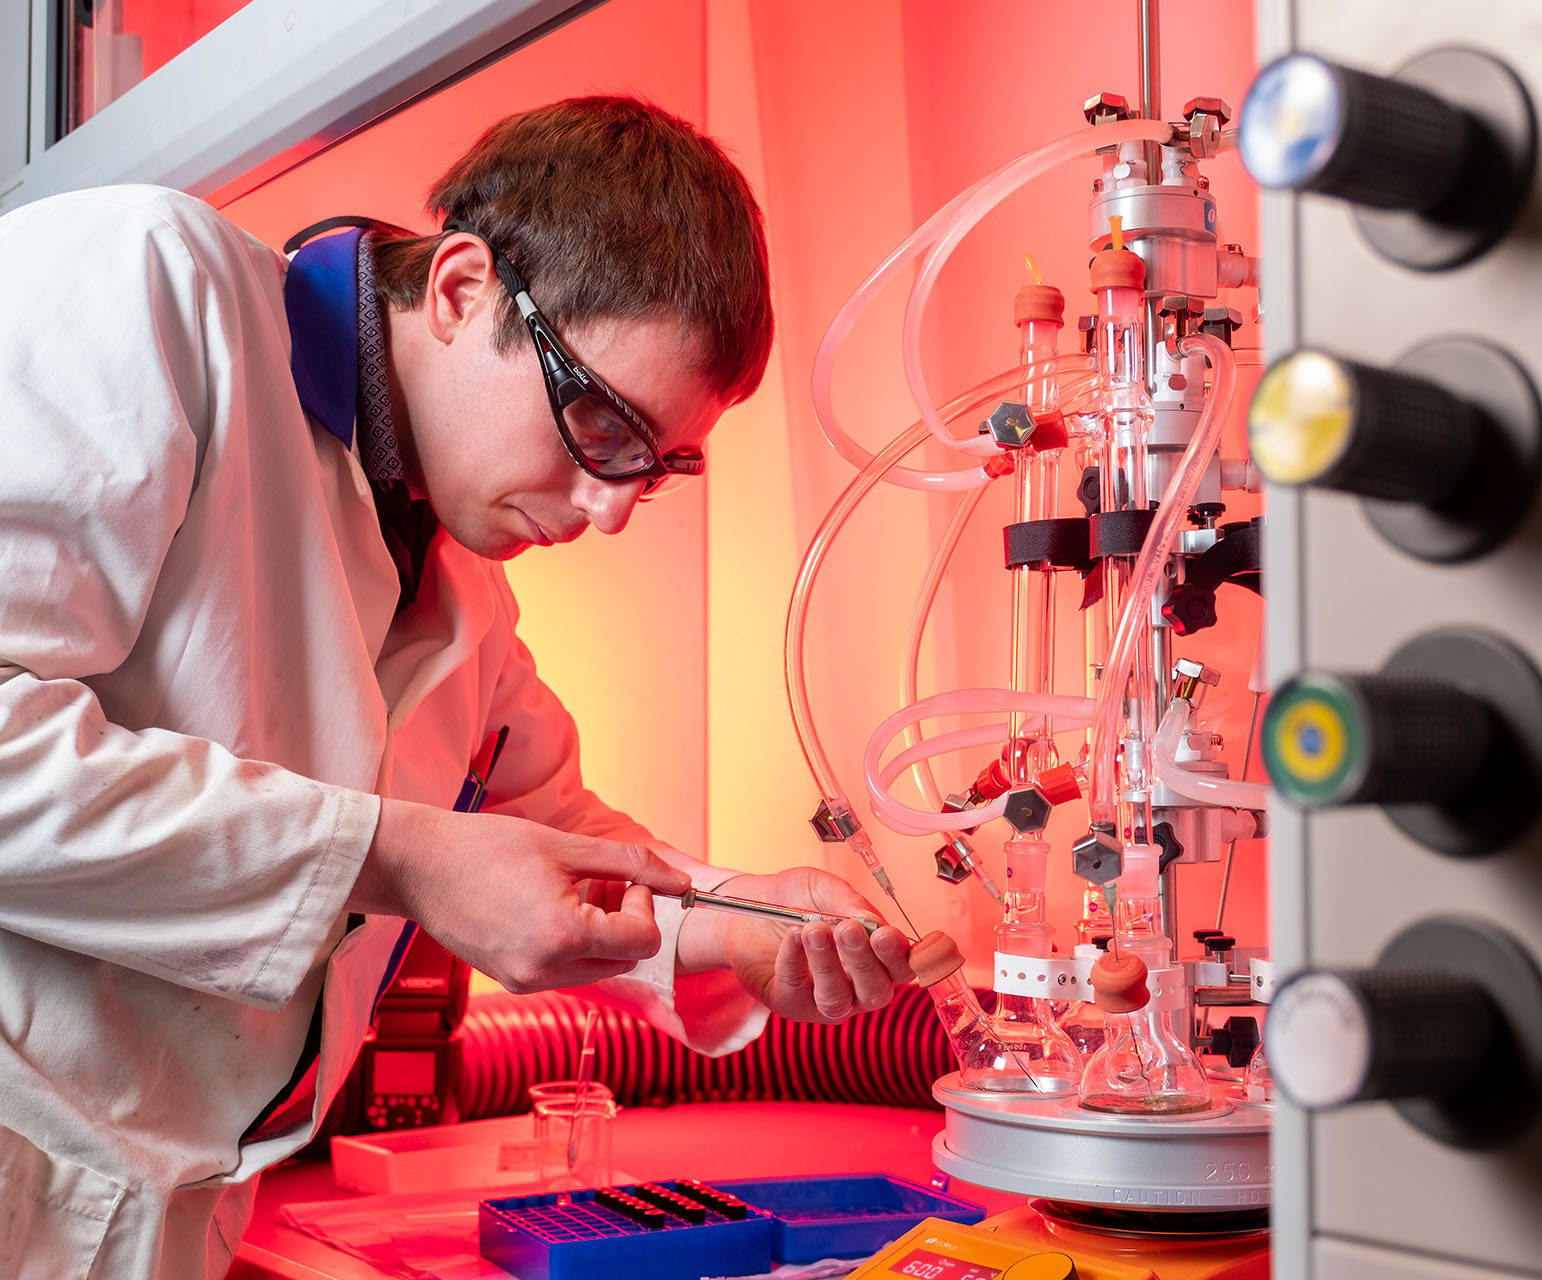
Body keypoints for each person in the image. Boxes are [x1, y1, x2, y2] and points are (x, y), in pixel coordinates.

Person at [0, 96, 913, 1278]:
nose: (612, 507)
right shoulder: (151, 287)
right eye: (600, 423)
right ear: (461, 287)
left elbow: (554, 837)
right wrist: (405, 857)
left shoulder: (462, 586)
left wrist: (742, 921)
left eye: (657, 466)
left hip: (168, 1205)